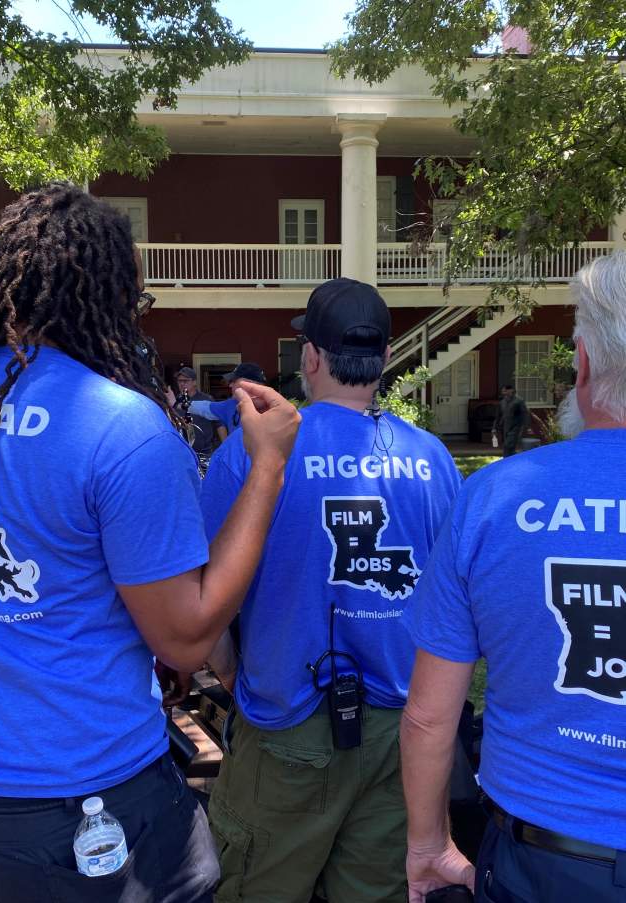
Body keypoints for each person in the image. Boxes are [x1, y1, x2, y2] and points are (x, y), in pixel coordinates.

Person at [0, 183, 300, 903]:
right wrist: (268, 466)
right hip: (84, 794)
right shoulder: (117, 426)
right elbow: (185, 638)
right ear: (106, 293)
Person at [200, 277, 462, 903]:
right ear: (383, 360)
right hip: (401, 733)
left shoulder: (254, 452)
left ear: (311, 357)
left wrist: (236, 678)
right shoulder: (433, 461)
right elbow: (457, 610)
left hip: (286, 718)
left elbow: (204, 591)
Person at [400, 251, 626, 903]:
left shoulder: (496, 498)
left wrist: (426, 845)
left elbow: (427, 717)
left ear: (580, 365)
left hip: (542, 863)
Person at [188, 361, 267, 441]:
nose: (230, 385)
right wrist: (178, 404)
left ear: (248, 384)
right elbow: (205, 407)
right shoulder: (232, 404)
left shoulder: (272, 409)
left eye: (233, 381)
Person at [174, 365, 218, 472]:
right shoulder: (174, 401)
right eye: (179, 381)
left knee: (206, 483)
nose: (182, 383)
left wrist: (226, 444)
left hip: (204, 453)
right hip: (181, 453)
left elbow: (219, 424)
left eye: (185, 381)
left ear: (194, 382)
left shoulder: (206, 400)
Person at [493, 384, 530, 456]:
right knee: (509, 447)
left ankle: (506, 461)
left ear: (511, 390)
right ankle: (510, 461)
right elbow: (498, 416)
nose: (504, 393)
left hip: (516, 427)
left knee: (508, 445)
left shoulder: (519, 401)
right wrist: (494, 428)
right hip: (505, 427)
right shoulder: (502, 402)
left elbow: (525, 414)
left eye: (505, 391)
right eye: (503, 391)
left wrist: (527, 427)